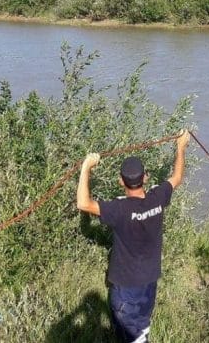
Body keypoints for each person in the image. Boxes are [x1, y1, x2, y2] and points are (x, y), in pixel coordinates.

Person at [76, 130, 190, 343]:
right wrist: (181, 146)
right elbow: (176, 177)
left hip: (126, 289)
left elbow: (83, 203)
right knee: (141, 328)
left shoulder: (119, 209)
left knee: (132, 337)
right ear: (145, 177)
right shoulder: (158, 198)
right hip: (149, 283)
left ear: (121, 181)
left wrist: (86, 167)